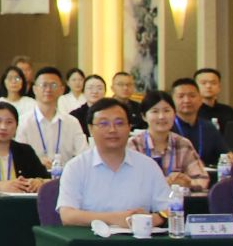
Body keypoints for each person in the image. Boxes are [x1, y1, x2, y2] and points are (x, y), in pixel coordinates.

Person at [56, 98, 176, 228]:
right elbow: (67, 216)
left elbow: (170, 208)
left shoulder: (148, 166)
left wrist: (157, 218)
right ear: (90, 129)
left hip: (137, 239)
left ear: (129, 127)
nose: (112, 130)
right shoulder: (76, 167)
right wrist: (117, 219)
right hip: (90, 239)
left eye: (119, 123)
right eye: (104, 124)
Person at [129, 90, 210, 191]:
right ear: (144, 116)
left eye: (166, 111)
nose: (161, 116)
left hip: (176, 200)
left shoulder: (183, 144)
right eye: (155, 111)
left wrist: (188, 183)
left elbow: (202, 179)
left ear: (174, 113)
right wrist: (164, 183)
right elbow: (128, 182)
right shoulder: (134, 145)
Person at [21, 67, 86, 169]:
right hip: (33, 176)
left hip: (65, 176)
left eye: (53, 85)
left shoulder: (72, 122)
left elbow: (83, 154)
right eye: (44, 85)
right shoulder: (23, 121)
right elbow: (19, 157)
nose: (48, 89)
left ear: (62, 90)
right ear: (35, 89)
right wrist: (36, 161)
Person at [167, 77, 232, 166]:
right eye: (181, 96)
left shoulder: (209, 127)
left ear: (201, 100)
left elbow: (228, 156)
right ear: (171, 101)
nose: (187, 100)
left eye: (192, 96)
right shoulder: (167, 127)